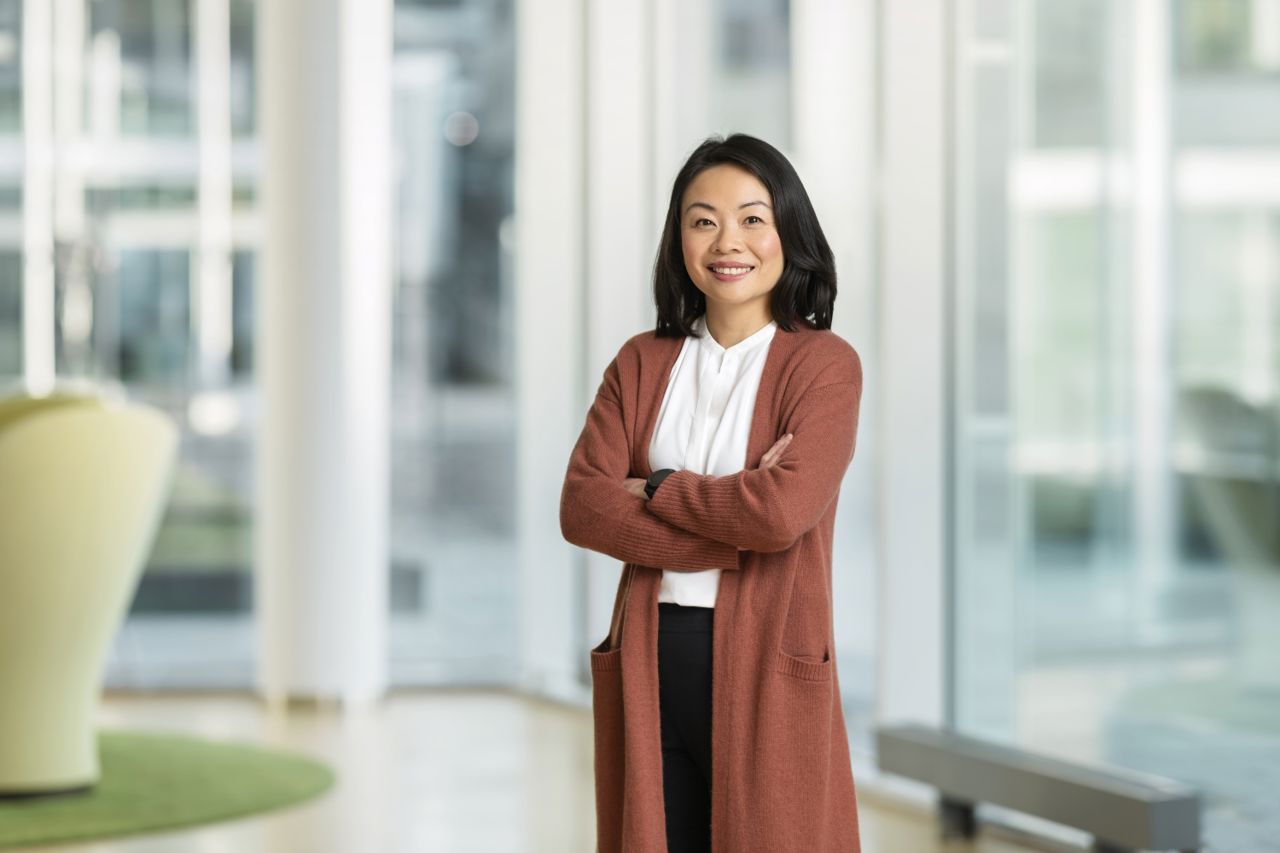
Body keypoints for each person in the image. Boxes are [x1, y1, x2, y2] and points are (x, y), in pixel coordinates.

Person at [560, 133, 863, 853]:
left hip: (767, 658)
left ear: (790, 230)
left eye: (753, 218)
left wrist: (657, 487)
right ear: (680, 239)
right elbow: (582, 505)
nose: (729, 241)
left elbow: (784, 511)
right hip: (652, 653)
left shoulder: (824, 365)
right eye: (703, 220)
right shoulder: (642, 360)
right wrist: (740, 517)